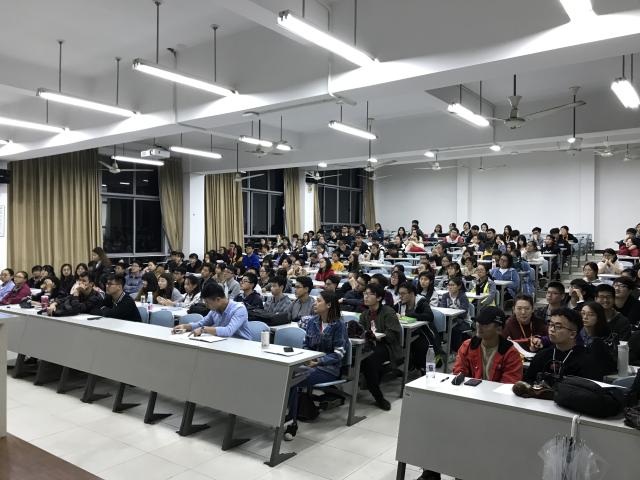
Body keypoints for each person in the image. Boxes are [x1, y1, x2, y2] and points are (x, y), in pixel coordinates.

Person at [283, 290, 349, 441]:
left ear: (329, 305)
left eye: (319, 301)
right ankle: (284, 414)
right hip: (310, 365)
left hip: (329, 369)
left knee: (294, 380)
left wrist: (318, 361)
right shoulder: (312, 321)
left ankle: (291, 422)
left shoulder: (338, 325)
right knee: (287, 374)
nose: (315, 303)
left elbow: (338, 354)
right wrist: (307, 358)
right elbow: (306, 345)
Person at [524, 307, 604, 385]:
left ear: (572, 334)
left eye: (558, 327)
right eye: (551, 324)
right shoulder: (542, 355)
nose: (551, 329)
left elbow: (590, 390)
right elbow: (527, 382)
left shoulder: (587, 360)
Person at [358, 283, 403, 410]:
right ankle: (371, 382)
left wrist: (376, 336)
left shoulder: (388, 312)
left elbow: (392, 336)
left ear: (378, 298)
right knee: (362, 356)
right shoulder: (364, 314)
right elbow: (360, 332)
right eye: (365, 294)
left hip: (387, 346)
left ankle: (378, 396)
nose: (366, 297)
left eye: (369, 294)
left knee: (369, 359)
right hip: (370, 345)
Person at [454, 306, 523, 382]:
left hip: (496, 390)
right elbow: (458, 372)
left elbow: (509, 384)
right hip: (470, 389)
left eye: (485, 324)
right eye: (478, 321)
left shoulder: (511, 353)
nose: (479, 326)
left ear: (499, 329)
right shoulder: (467, 346)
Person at [173, 282, 252, 339]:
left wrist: (204, 329)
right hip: (224, 343)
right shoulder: (214, 310)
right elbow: (201, 323)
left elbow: (229, 331)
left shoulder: (239, 309)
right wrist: (185, 326)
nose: (206, 306)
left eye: (207, 303)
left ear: (218, 299)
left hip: (242, 345)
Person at [396, 282, 444, 368]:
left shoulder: (422, 302)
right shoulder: (400, 303)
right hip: (408, 332)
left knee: (420, 345)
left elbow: (429, 316)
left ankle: (423, 367)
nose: (400, 296)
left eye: (403, 293)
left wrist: (408, 315)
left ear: (411, 294)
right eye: (399, 293)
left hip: (424, 332)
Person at [579, 301, 617, 374]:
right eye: (583, 313)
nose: (585, 317)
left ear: (599, 317)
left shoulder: (608, 337)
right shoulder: (575, 334)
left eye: (590, 314)